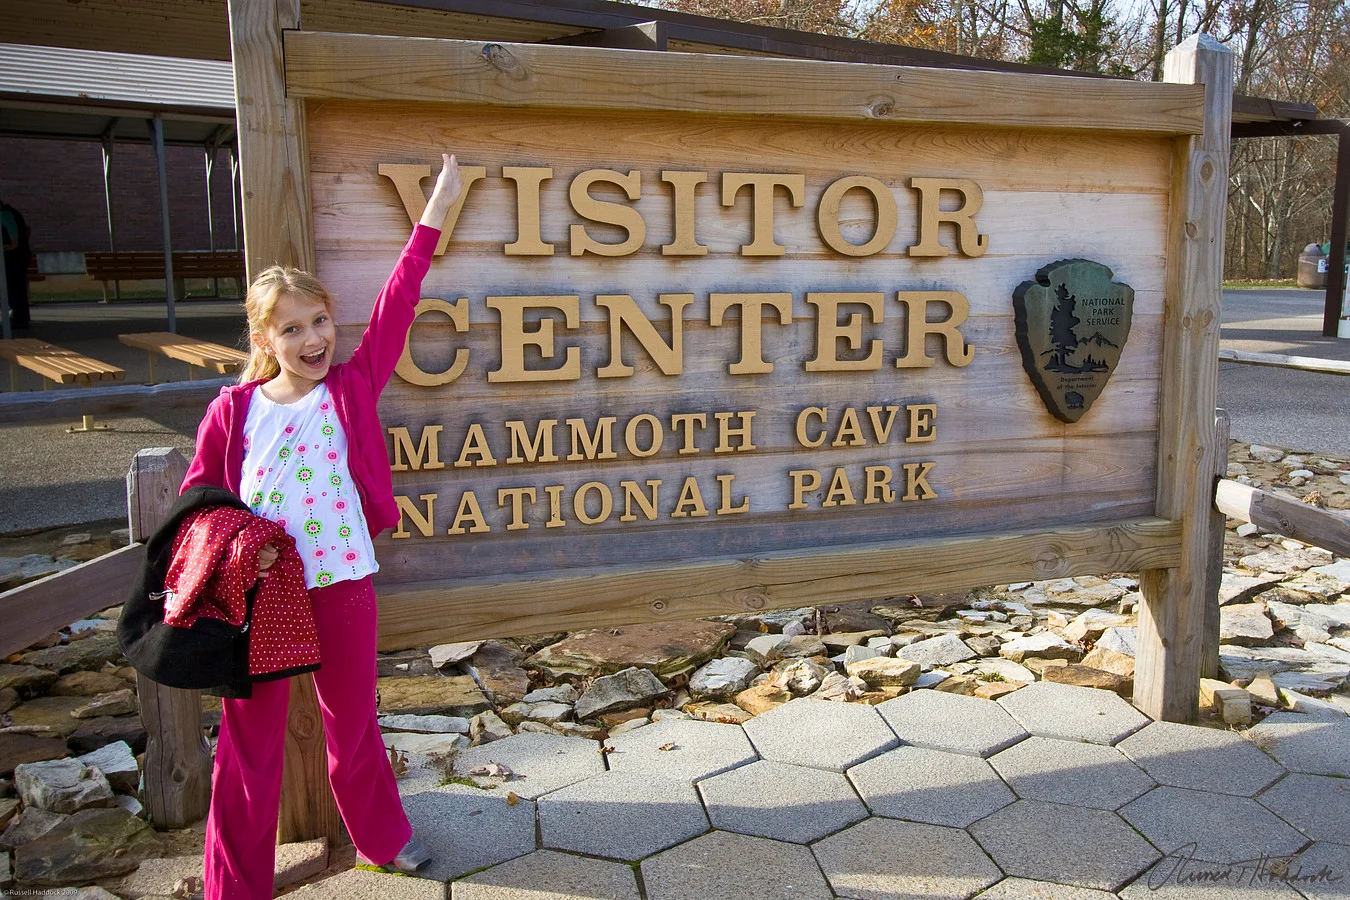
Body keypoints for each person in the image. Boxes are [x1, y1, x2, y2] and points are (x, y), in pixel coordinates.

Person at [180, 153, 462, 899]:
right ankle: (234, 884)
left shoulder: (352, 387)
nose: (313, 338)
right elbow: (198, 507)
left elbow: (400, 299)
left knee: (353, 724)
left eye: (320, 320)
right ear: (262, 340)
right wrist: (244, 554)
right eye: (292, 328)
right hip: (263, 598)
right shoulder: (232, 414)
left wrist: (435, 213)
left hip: (343, 584)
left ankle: (380, 839)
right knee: (250, 745)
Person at [1, 200, 32, 329]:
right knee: (16, 288)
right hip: (19, 256)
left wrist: (5, 247)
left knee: (14, 288)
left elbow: (14, 241)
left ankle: (19, 319)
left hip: (14, 257)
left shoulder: (4, 214)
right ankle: (20, 317)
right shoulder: (11, 212)